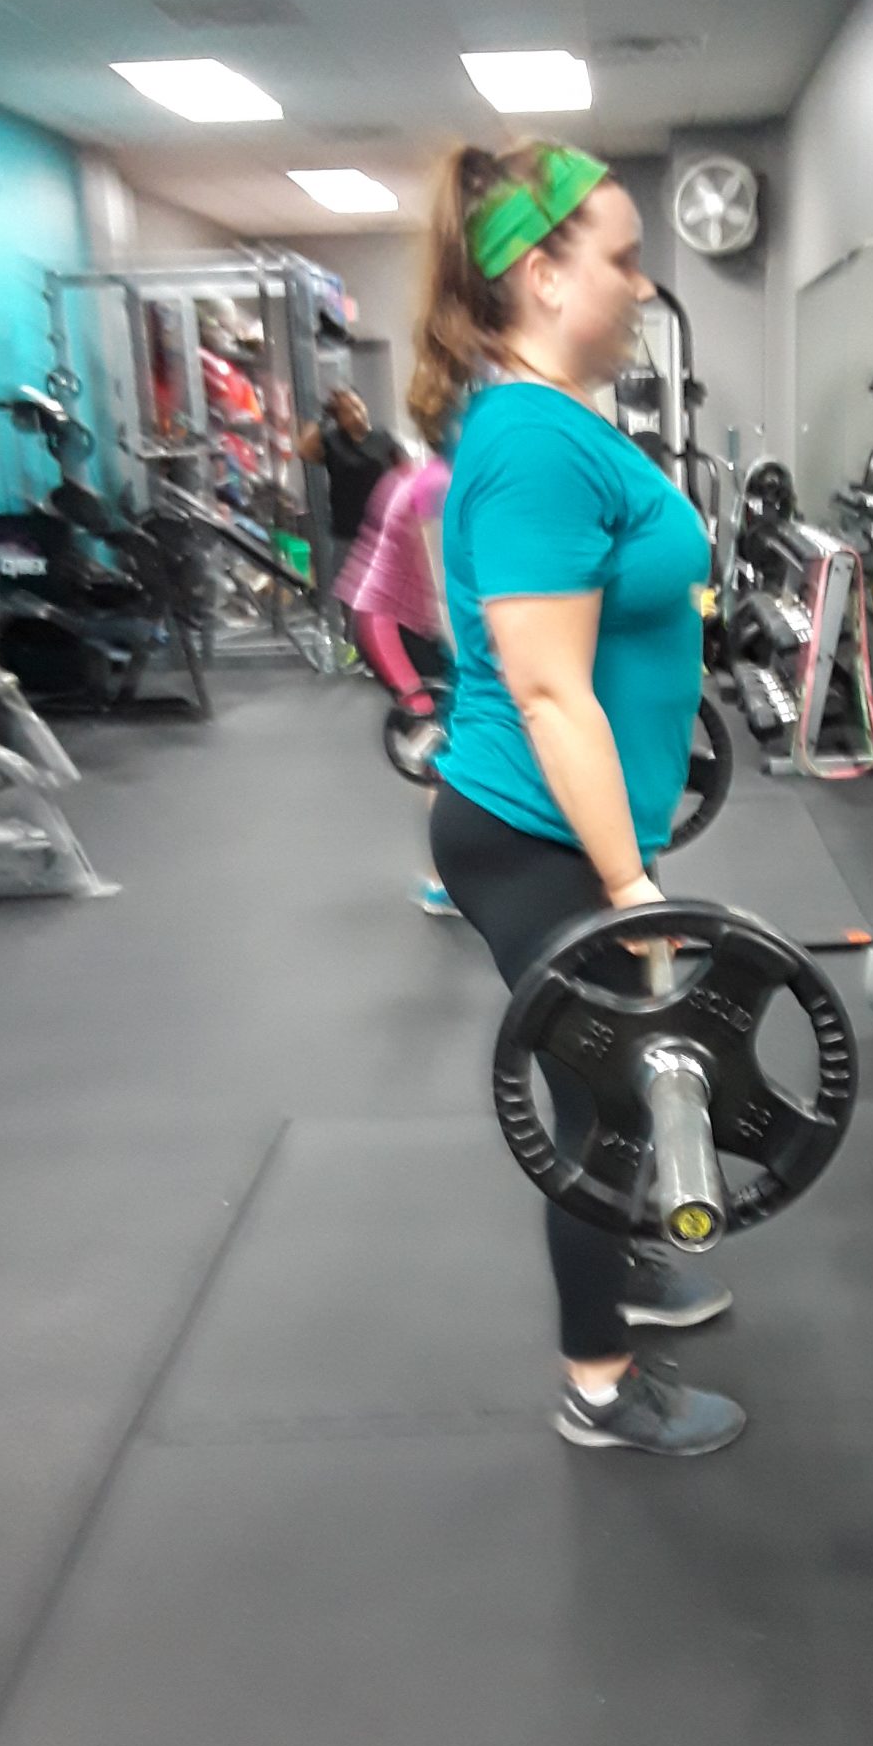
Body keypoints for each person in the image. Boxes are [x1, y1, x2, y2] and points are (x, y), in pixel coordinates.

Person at [409, 140, 744, 1459]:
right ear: (544, 276)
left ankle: (620, 1268)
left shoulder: (556, 424)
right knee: (607, 1103)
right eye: (623, 258)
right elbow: (549, 694)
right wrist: (631, 890)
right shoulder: (535, 445)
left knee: (623, 1081)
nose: (643, 284)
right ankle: (599, 1385)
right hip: (533, 835)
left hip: (566, 828)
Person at [337, 455, 459, 916]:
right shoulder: (436, 483)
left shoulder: (425, 474)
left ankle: (452, 874)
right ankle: (439, 883)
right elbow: (444, 582)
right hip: (388, 627)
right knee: (440, 753)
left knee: (448, 744)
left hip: (405, 622)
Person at [299, 388, 406, 578]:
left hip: (383, 535)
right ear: (339, 419)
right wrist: (323, 417)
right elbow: (305, 450)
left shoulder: (383, 438)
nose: (356, 414)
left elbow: (407, 475)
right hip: (348, 538)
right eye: (347, 412)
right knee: (350, 591)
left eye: (357, 406)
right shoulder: (333, 442)